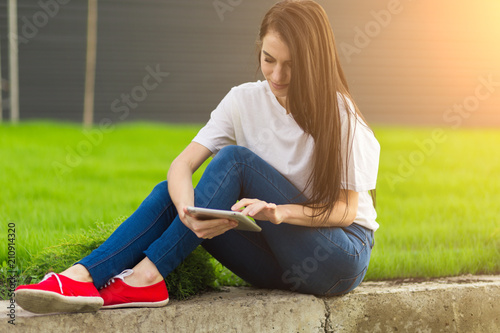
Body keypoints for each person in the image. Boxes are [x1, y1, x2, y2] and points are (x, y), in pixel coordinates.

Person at [15, 0, 380, 314]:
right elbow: (181, 166)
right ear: (259, 49)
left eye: (292, 65)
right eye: (269, 60)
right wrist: (188, 212)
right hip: (278, 262)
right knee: (170, 195)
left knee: (235, 160)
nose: (277, 75)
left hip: (337, 257)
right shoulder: (243, 100)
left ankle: (145, 277)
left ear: (315, 62)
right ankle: (81, 277)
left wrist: (279, 213)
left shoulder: (341, 117)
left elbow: (346, 211)